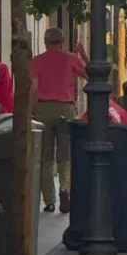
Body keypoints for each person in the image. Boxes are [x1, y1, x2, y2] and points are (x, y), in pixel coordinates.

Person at [30, 27, 88, 213]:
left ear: (45, 42)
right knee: (65, 155)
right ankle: (65, 189)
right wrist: (83, 55)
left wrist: (32, 110)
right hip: (65, 109)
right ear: (62, 42)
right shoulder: (70, 58)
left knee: (45, 156)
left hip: (43, 109)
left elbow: (33, 88)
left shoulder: (36, 61)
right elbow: (90, 75)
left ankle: (49, 200)